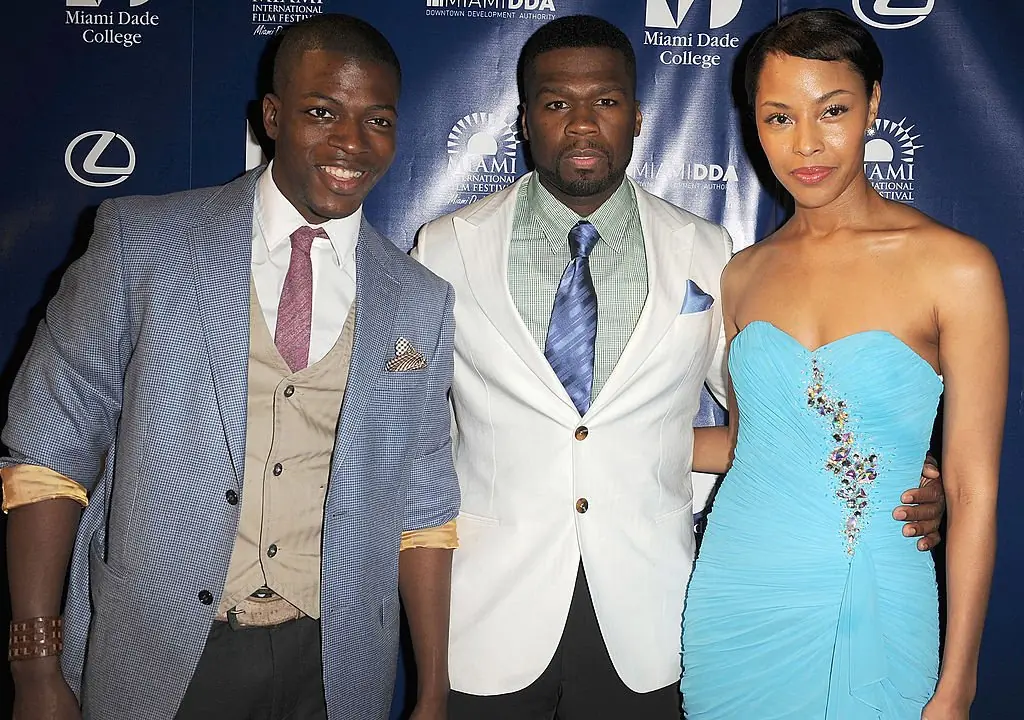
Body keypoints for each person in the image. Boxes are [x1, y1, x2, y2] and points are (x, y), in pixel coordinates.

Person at [413, 15, 944, 720]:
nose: (581, 124)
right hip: (484, 620)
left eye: (605, 101)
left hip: (653, 619)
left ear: (638, 116)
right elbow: (411, 442)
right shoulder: (444, 247)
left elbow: (779, 423)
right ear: (524, 119)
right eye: (556, 102)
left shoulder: (709, 250)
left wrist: (893, 477)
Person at [2, 14, 458, 720]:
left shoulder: (419, 298)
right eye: (321, 112)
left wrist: (432, 692)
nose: (352, 142)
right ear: (271, 117)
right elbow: (47, 455)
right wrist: (35, 667)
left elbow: (423, 508)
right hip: (159, 659)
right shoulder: (143, 242)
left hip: (335, 670)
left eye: (378, 121)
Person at [681, 9, 1006, 719]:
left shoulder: (955, 268)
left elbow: (971, 488)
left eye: (832, 110)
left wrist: (959, 683)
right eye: (779, 118)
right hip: (736, 597)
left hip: (878, 600)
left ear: (873, 105)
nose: (806, 143)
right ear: (753, 124)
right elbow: (747, 444)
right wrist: (605, 442)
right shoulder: (743, 275)